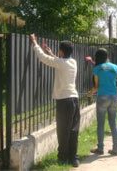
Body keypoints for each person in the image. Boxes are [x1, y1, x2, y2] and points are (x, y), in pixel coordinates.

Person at [30, 34, 80, 167]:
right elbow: (59, 61)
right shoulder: (73, 62)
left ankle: (63, 158)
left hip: (64, 101)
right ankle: (73, 158)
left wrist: (35, 43)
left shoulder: (61, 63)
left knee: (63, 130)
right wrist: (51, 52)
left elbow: (43, 59)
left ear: (62, 51)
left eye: (59, 51)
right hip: (75, 99)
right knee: (73, 130)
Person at [88, 48, 117, 156]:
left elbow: (96, 87)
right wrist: (114, 91)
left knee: (101, 124)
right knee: (113, 123)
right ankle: (115, 149)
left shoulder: (97, 68)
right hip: (113, 97)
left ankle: (100, 148)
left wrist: (90, 93)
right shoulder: (115, 67)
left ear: (97, 57)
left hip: (102, 97)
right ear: (107, 56)